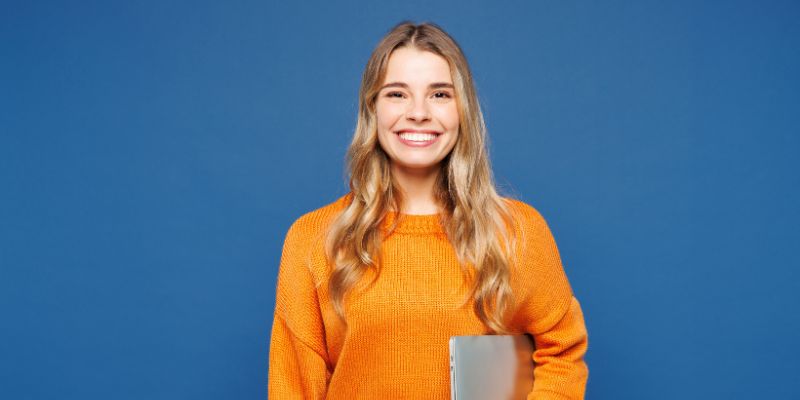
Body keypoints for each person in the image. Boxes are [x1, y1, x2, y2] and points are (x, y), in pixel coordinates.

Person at [268, 21, 588, 399]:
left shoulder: (517, 230)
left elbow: (563, 350)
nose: (418, 112)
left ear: (462, 110)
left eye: (439, 94)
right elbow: (293, 388)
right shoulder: (314, 239)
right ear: (372, 108)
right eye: (397, 94)